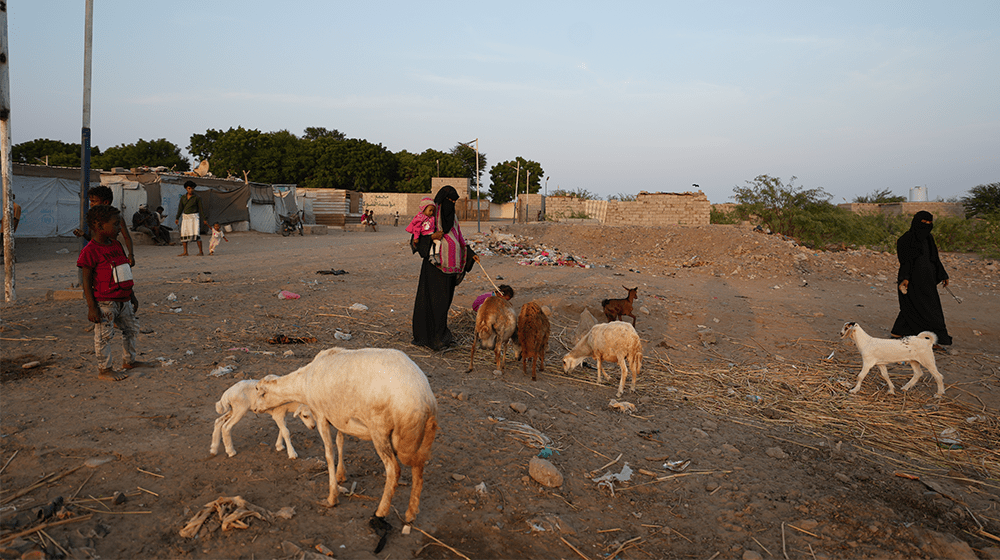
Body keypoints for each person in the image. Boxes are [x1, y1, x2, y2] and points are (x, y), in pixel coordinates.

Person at [77, 205, 147, 381]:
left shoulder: (116, 245)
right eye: (116, 225)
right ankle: (105, 370)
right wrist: (91, 307)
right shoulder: (90, 251)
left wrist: (132, 295)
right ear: (100, 226)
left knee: (131, 330)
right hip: (105, 302)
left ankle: (129, 361)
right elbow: (85, 281)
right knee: (104, 336)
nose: (119, 229)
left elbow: (124, 270)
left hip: (123, 299)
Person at [412, 185, 477, 351]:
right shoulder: (431, 215)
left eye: (454, 202)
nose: (451, 204)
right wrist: (432, 236)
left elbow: (459, 238)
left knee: (444, 304)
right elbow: (416, 238)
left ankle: (442, 335)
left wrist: (470, 253)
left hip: (451, 269)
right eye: (449, 201)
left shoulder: (453, 218)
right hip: (435, 269)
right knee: (434, 303)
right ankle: (430, 338)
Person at [891, 211, 953, 346]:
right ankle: (935, 338)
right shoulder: (905, 240)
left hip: (928, 279)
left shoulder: (928, 239)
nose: (927, 226)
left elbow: (935, 258)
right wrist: (905, 278)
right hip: (912, 280)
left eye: (930, 223)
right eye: (924, 223)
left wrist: (943, 275)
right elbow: (905, 261)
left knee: (922, 306)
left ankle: (899, 331)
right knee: (920, 307)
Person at [73, 186, 135, 267]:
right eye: (91, 201)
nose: (91, 204)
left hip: (113, 252)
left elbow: (126, 237)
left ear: (106, 202)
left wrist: (130, 255)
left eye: (94, 201)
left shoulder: (116, 217)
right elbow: (92, 238)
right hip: (97, 253)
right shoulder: (93, 218)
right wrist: (83, 234)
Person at [175, 180, 208, 256]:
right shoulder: (183, 198)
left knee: (196, 234)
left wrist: (204, 219)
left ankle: (200, 251)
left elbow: (201, 209)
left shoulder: (197, 197)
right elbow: (180, 208)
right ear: (186, 188)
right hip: (185, 217)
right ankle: (185, 252)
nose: (191, 190)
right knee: (184, 234)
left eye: (192, 188)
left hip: (194, 217)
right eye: (189, 188)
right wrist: (177, 217)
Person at [406, 197, 440, 264]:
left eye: (433, 211)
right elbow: (417, 228)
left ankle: (437, 255)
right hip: (425, 236)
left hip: (431, 234)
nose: (431, 212)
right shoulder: (420, 218)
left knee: (438, 242)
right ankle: (431, 256)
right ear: (424, 209)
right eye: (430, 210)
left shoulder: (432, 218)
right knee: (430, 245)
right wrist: (416, 237)